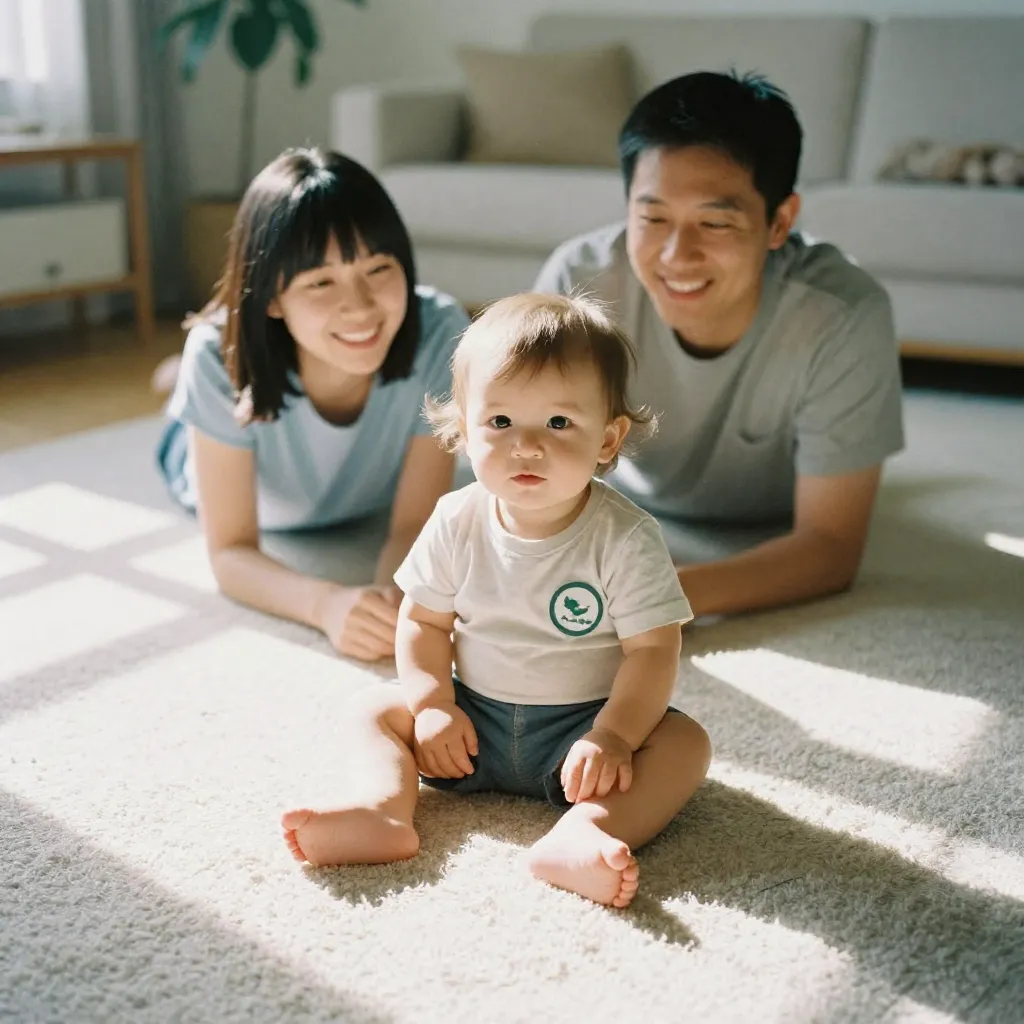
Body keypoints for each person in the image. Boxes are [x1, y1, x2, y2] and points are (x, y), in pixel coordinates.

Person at [281, 293, 712, 909]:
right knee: (370, 710)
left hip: (582, 734)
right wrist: (432, 706)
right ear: (463, 428)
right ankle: (382, 810)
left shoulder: (627, 537)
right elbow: (423, 621)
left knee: (684, 745)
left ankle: (587, 831)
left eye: (559, 424)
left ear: (608, 439)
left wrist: (614, 736)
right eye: (501, 423)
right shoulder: (456, 519)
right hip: (469, 725)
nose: (526, 446)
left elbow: (652, 650)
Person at [534, 71, 905, 619]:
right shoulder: (579, 282)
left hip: (768, 520)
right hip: (626, 495)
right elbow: (525, 465)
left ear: (779, 221)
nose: (676, 255)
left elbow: (830, 546)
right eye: (653, 217)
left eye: (714, 223)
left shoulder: (842, 314)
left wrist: (658, 601)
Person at [157, 147, 470, 662]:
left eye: (378, 268)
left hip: (350, 486)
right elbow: (230, 553)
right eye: (321, 281)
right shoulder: (218, 357)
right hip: (211, 444)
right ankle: (175, 389)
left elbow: (414, 525)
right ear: (271, 297)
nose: (362, 307)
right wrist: (325, 604)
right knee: (185, 401)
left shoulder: (439, 330)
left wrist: (394, 602)